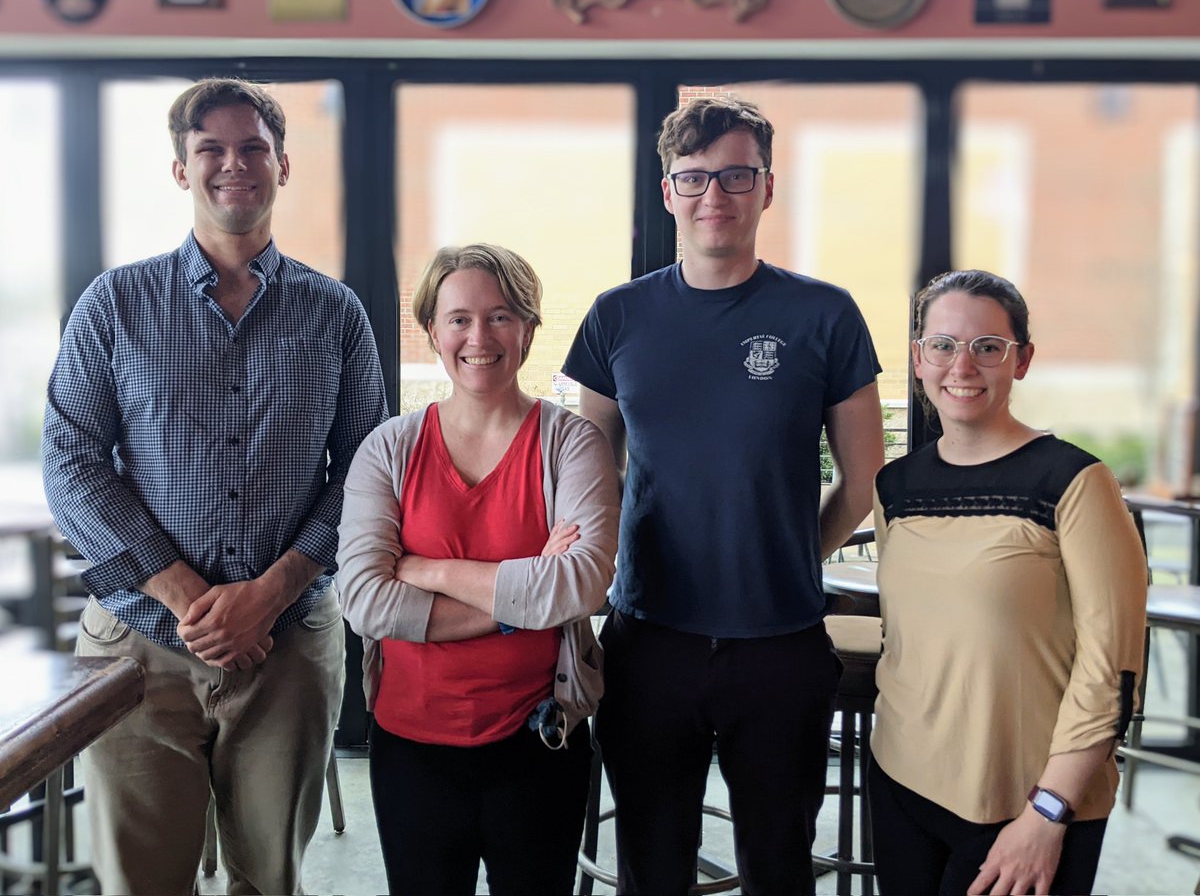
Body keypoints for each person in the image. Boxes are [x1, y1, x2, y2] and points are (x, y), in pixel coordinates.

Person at [41, 78, 388, 894]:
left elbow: (370, 470)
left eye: (252, 148)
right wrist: (187, 594)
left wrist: (268, 594)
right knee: (142, 883)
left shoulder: (336, 314)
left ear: (282, 165)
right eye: (211, 150)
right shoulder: (115, 305)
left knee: (268, 881)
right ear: (181, 170)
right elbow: (70, 458)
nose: (234, 164)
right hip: (136, 646)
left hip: (289, 648)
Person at [562, 95, 886, 894]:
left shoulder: (824, 315)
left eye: (737, 176)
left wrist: (788, 553)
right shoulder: (617, 317)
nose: (716, 196)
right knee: (652, 865)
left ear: (767, 188)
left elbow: (864, 479)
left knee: (778, 866)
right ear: (668, 191)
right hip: (649, 638)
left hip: (779, 643)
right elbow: (591, 476)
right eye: (695, 178)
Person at [336, 243, 620, 895]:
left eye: (501, 316)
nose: (479, 337)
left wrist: (423, 568)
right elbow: (363, 600)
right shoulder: (390, 448)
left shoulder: (571, 443)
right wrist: (523, 600)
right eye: (459, 318)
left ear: (528, 328)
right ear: (432, 329)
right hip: (411, 748)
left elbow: (580, 583)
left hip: (538, 740)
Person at [869, 269, 1147, 895]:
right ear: (918, 359)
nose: (962, 365)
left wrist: (1049, 813)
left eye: (987, 347)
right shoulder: (896, 487)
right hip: (901, 781)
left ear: (1020, 361)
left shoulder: (1076, 483)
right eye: (943, 345)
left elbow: (1113, 670)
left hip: (1027, 803)